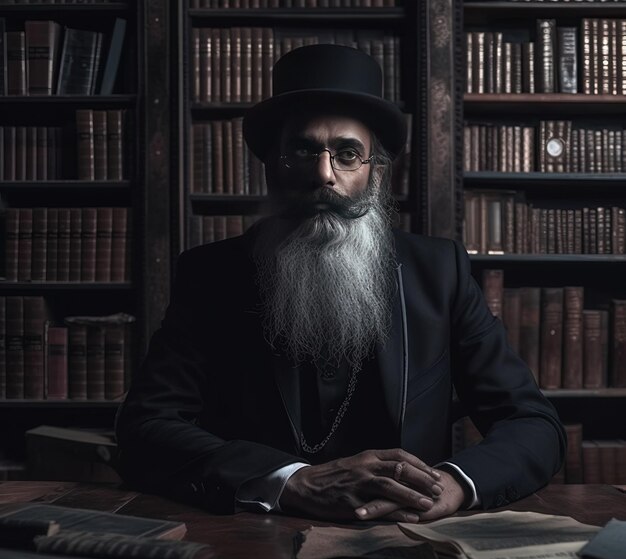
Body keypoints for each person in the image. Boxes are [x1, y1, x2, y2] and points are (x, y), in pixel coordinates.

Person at [115, 44, 566, 523]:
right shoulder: (212, 275)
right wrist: (290, 480)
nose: (323, 174)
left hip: (407, 528)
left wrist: (452, 484)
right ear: (271, 164)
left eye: (347, 154)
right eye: (303, 150)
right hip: (256, 530)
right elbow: (147, 425)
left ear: (374, 171)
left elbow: (532, 423)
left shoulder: (440, 272)